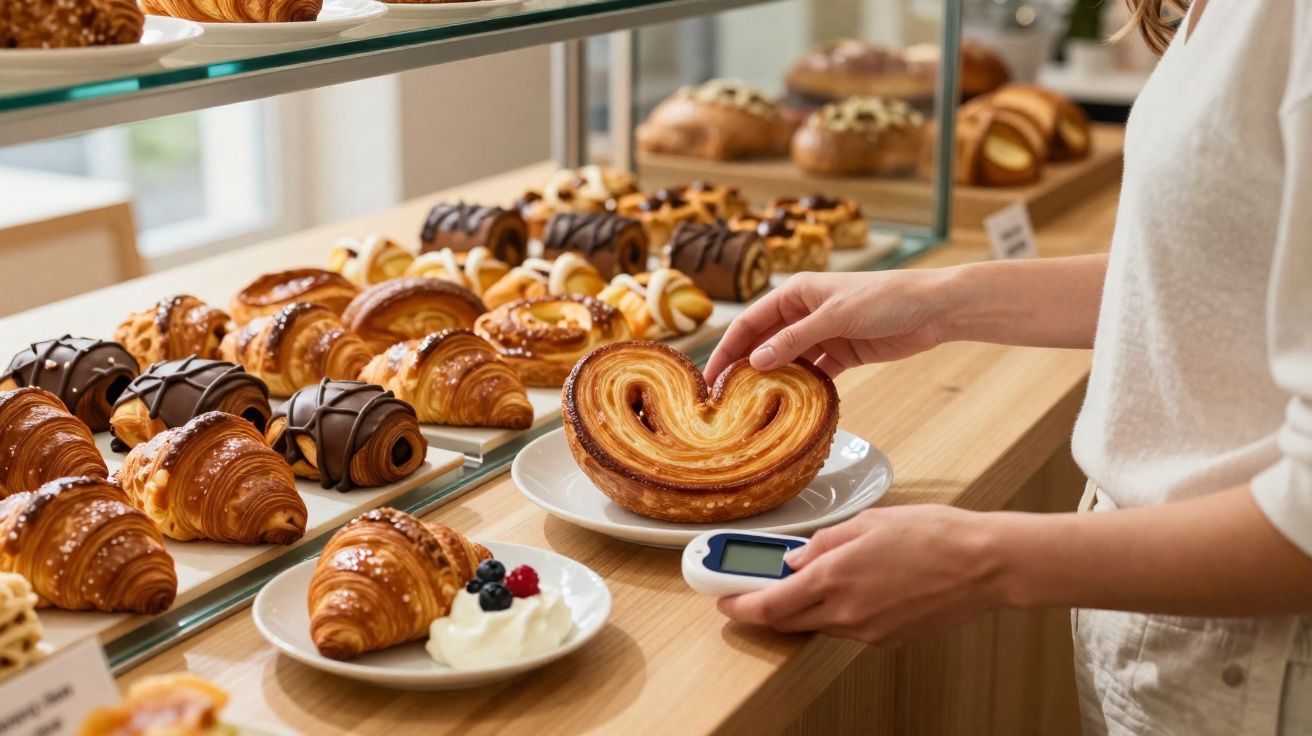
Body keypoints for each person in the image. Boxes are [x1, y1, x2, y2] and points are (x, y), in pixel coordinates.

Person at [707, 1, 1312, 733]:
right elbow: (1220, 281)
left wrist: (985, 558)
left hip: (1264, 666)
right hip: (1180, 626)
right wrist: (938, 300)